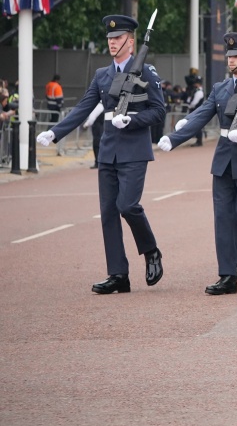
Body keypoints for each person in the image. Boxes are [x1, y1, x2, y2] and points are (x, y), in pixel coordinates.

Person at [37, 15, 165, 294]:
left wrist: (133, 120)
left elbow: (159, 111)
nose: (112, 43)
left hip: (134, 150)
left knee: (128, 205)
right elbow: (84, 108)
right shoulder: (102, 75)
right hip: (108, 151)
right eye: (109, 39)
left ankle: (151, 250)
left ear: (131, 42)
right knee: (108, 213)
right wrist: (55, 132)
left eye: (117, 38)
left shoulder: (146, 71)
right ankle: (118, 274)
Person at [159, 32, 237, 295]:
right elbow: (201, 116)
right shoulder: (221, 89)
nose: (231, 60)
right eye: (229, 56)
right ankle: (227, 276)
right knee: (224, 219)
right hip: (224, 163)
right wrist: (173, 139)